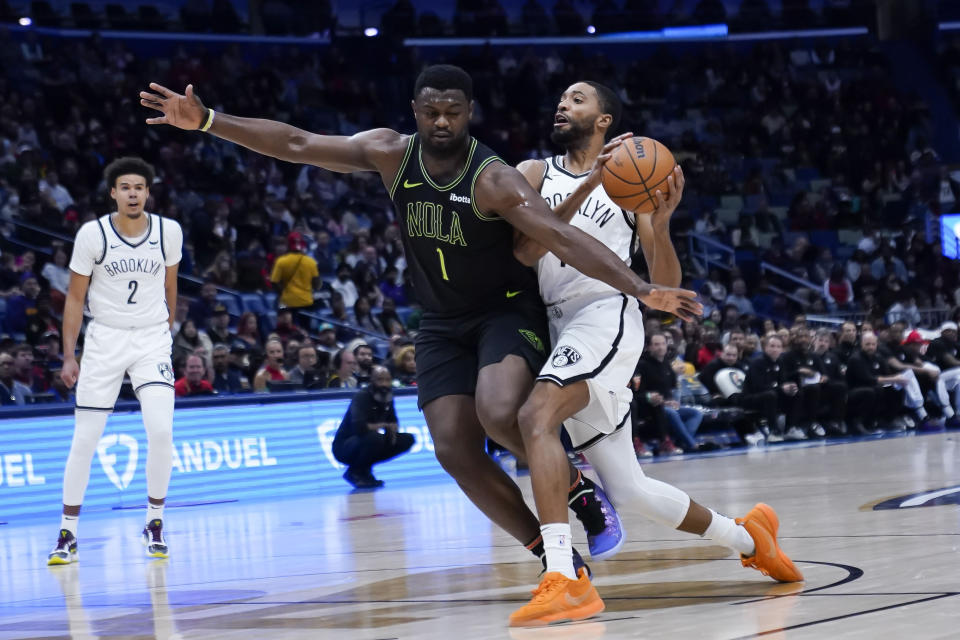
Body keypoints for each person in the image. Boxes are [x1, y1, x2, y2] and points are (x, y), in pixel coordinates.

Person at [140, 66, 698, 595]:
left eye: (452, 112)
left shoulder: (494, 178)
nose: (441, 122)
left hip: (504, 311)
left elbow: (560, 236)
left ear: (469, 113)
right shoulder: (390, 152)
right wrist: (210, 121)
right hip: (439, 321)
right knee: (453, 449)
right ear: (415, 110)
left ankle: (579, 498)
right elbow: (297, 144)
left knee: (500, 412)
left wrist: (641, 287)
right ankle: (555, 552)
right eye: (431, 111)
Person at [508, 81, 799, 626]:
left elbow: (664, 286)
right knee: (629, 488)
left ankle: (564, 579)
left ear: (604, 120)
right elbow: (525, 250)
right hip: (557, 323)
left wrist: (659, 228)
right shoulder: (533, 173)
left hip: (604, 315)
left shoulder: (632, 188)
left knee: (535, 416)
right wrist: (589, 182)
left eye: (576, 99)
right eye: (561, 99)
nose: (562, 106)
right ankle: (748, 536)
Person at [47, 157, 183, 565]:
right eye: (125, 187)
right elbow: (74, 298)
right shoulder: (93, 234)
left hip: (151, 340)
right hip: (104, 339)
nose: (133, 193)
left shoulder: (168, 231)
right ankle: (68, 533)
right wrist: (69, 355)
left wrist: (166, 333)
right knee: (85, 439)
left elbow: (171, 287)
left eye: (139, 187)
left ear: (148, 192)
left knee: (161, 432)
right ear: (113, 193)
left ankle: (154, 521)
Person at [332, 366, 415, 488]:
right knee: (374, 439)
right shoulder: (362, 397)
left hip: (370, 440)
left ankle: (364, 470)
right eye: (380, 380)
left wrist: (392, 430)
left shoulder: (388, 398)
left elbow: (393, 421)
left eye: (387, 380)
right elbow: (360, 428)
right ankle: (355, 471)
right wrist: (384, 425)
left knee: (407, 440)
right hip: (344, 446)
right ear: (372, 381)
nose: (384, 384)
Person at [271, 231, 320, 313]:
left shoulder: (281, 261)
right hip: (306, 301)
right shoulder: (311, 261)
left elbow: (274, 282)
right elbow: (317, 284)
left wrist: (283, 293)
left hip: (288, 302)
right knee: (305, 325)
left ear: (288, 245)